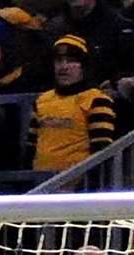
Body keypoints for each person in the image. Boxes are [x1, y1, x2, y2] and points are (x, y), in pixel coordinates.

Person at [28, 36, 116, 172]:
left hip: (80, 184)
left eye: (71, 61)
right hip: (41, 183)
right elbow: (30, 147)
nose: (63, 67)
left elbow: (101, 150)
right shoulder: (41, 101)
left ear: (83, 66)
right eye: (59, 61)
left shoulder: (96, 99)